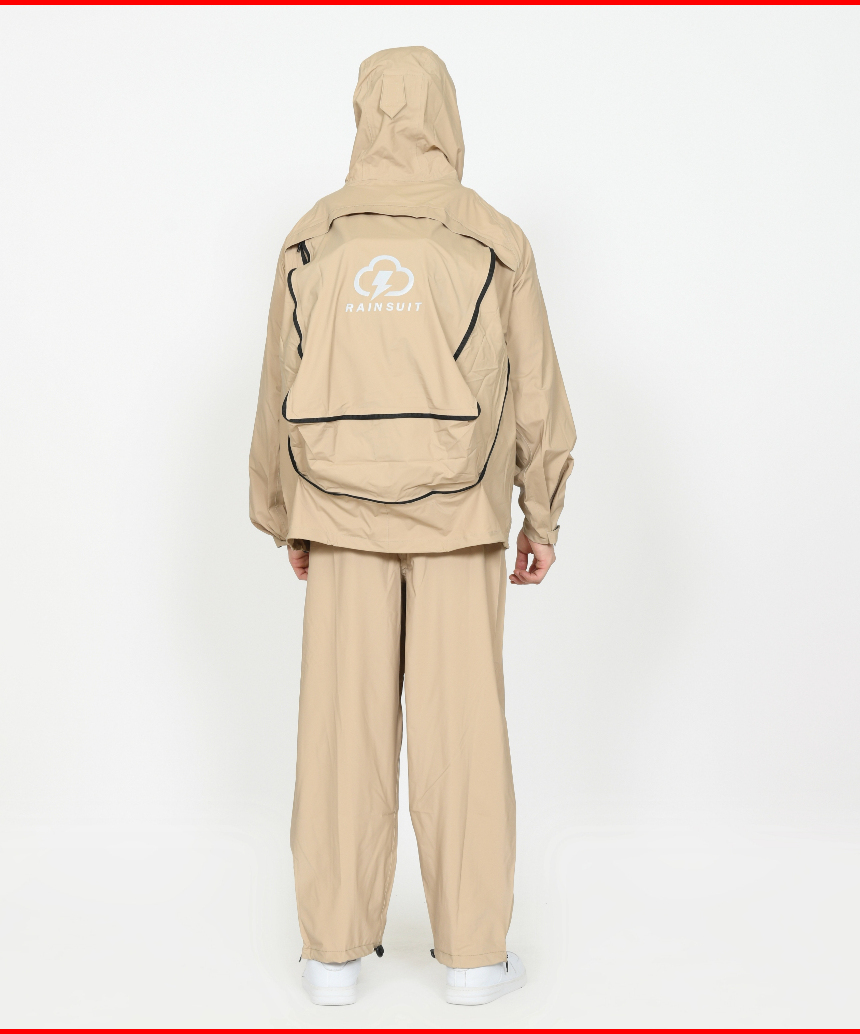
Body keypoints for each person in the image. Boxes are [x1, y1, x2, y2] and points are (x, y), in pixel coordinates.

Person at [249, 45, 575, 1007]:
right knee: (461, 736)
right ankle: (472, 959)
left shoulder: (314, 239)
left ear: (362, 116)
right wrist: (543, 510)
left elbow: (279, 386)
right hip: (462, 516)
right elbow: (536, 390)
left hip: (339, 509)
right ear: (446, 115)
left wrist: (285, 513)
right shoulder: (493, 239)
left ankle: (331, 958)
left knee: (339, 734)